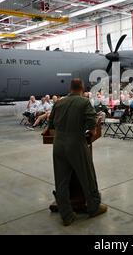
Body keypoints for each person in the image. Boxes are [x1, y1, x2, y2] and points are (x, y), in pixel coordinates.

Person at [47, 79, 107, 226]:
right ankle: (93, 207)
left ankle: (66, 215)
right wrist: (91, 130)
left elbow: (51, 123)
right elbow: (92, 123)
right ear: (82, 88)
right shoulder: (84, 102)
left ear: (70, 88)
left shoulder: (59, 102)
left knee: (61, 181)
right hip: (76, 143)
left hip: (58, 144)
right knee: (87, 176)